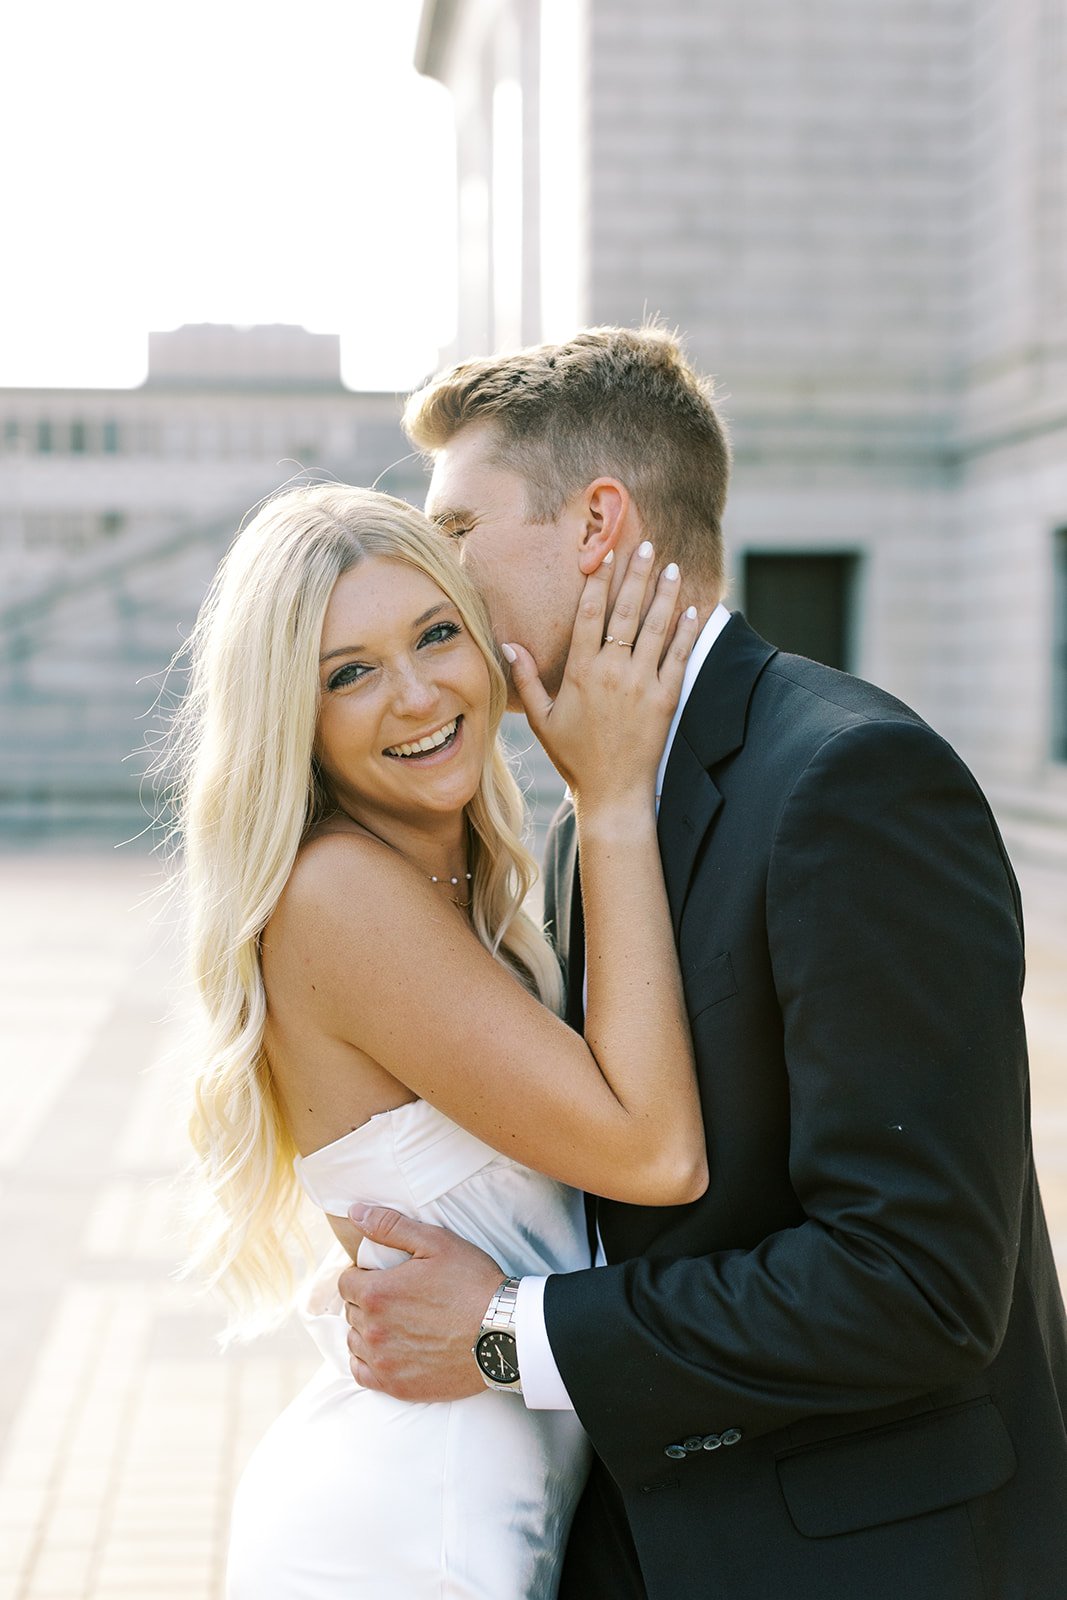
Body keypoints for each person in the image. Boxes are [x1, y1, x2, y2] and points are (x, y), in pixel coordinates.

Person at [339, 326, 1067, 1600]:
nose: (432, 574)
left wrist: (510, 1335)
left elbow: (917, 1285)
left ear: (596, 524)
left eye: (455, 532)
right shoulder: (584, 817)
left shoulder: (849, 782)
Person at [169, 480, 708, 1598]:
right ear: (294, 718)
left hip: (483, 1505)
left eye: (435, 634)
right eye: (348, 673)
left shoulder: (440, 885)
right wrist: (608, 798)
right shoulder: (339, 896)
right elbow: (653, 1152)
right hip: (412, 1534)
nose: (415, 693)